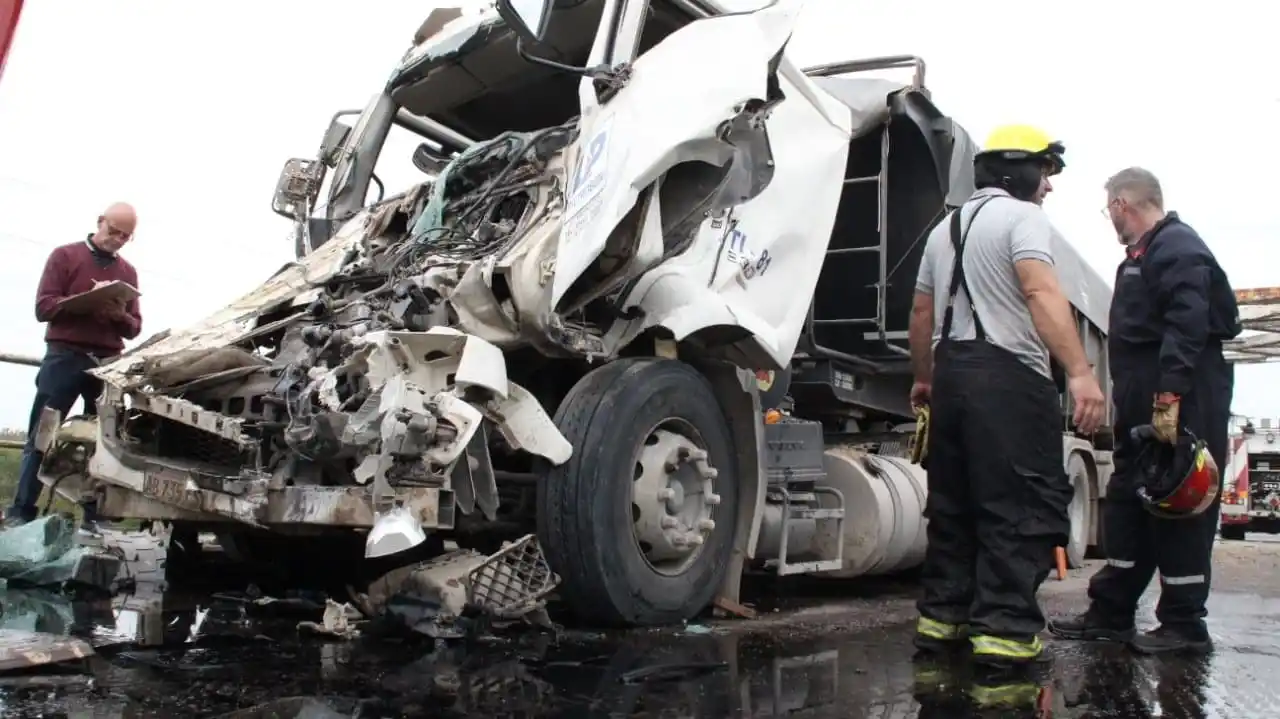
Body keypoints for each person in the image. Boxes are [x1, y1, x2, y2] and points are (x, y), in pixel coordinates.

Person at [908, 124, 1106, 666]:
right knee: (1017, 508)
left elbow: (922, 313)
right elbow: (1039, 289)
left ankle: (943, 624)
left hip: (951, 381)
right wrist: (1080, 372)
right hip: (1008, 380)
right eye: (1045, 172)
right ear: (1019, 171)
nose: (1049, 185)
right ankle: (1005, 635)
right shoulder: (1024, 218)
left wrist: (924, 379)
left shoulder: (942, 231)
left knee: (953, 508)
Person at [1050, 167, 1240, 655]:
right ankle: (1111, 613)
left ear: (1121, 205)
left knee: (1180, 500)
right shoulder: (1145, 253)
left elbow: (1188, 323)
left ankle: (1184, 624)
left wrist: (1169, 398)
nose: (1110, 218)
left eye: (1109, 209)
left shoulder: (1177, 247)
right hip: (1144, 404)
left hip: (1180, 401)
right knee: (1129, 500)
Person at [4, 203, 142, 528]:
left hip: (106, 364)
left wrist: (118, 315)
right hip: (64, 356)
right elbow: (43, 307)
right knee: (43, 435)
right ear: (100, 222)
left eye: (125, 236)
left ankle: (95, 519)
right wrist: (82, 302)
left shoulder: (128, 272)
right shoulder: (64, 256)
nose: (117, 239)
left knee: (104, 443)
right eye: (114, 231)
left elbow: (135, 327)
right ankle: (22, 512)